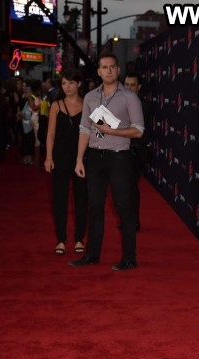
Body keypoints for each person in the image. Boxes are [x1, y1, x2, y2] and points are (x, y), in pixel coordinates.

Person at [70, 51, 144, 271]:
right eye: (104, 67)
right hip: (94, 157)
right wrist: (79, 159)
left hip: (119, 157)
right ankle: (92, 254)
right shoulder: (90, 97)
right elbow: (84, 128)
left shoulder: (129, 97)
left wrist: (112, 131)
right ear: (99, 71)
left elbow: (138, 130)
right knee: (95, 206)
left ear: (118, 70)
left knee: (124, 207)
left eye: (112, 67)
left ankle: (129, 258)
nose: (109, 70)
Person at [44, 69, 88, 256]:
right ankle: (61, 239)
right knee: (59, 199)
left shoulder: (88, 105)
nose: (67, 87)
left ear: (79, 84)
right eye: (64, 83)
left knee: (81, 199)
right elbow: (51, 134)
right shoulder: (56, 105)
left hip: (82, 158)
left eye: (71, 83)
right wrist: (48, 157)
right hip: (60, 157)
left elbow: (98, 129)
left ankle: (79, 239)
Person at [122, 71, 150, 231]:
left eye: (132, 85)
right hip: (120, 150)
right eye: (126, 85)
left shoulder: (144, 106)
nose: (128, 88)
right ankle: (126, 219)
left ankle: (134, 220)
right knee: (122, 187)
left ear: (139, 87)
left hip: (136, 150)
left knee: (131, 186)